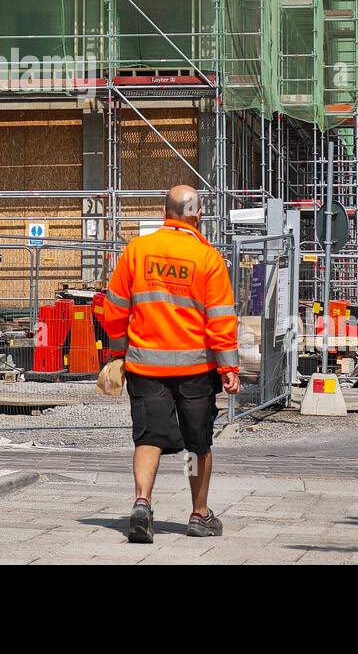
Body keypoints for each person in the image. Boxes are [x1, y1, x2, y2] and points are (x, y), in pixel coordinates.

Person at [100, 185, 241, 544]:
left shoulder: (138, 250)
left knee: (149, 437)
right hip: (196, 369)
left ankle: (142, 502)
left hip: (146, 367)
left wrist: (120, 350)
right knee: (197, 444)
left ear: (166, 210)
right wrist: (228, 367)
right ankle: (198, 513)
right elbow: (221, 318)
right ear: (197, 214)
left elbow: (114, 307)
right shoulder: (207, 258)